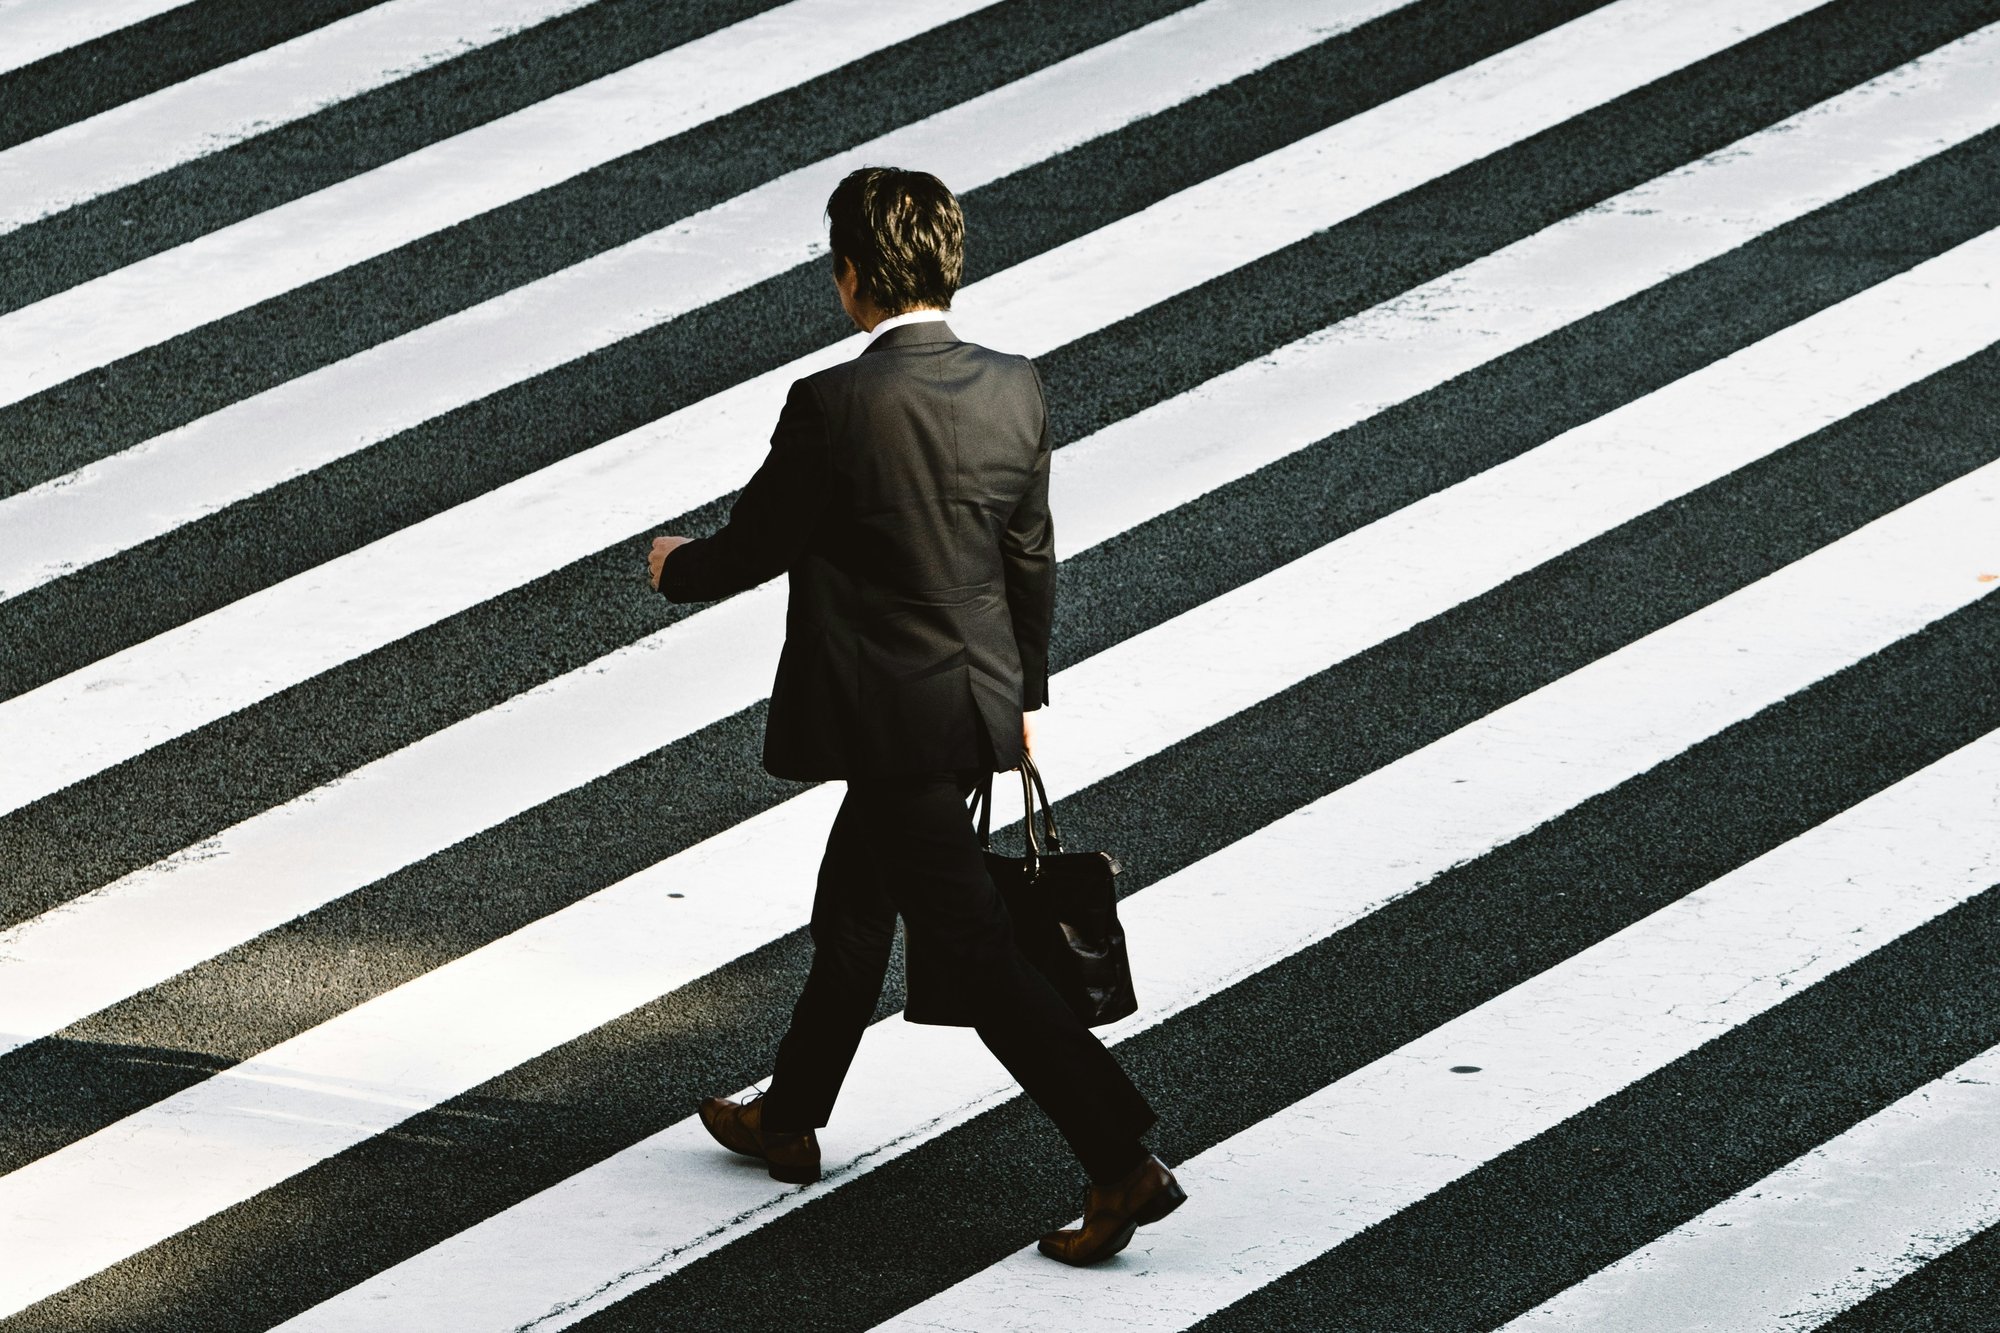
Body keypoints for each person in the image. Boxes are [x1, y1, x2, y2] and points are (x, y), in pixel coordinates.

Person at [648, 166, 1183, 1265]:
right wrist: (1019, 696)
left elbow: (754, 548)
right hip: (964, 704)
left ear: (851, 280)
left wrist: (669, 567)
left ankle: (1120, 1159)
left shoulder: (834, 404)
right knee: (853, 908)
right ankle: (789, 1112)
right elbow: (1027, 558)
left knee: (977, 956)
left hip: (879, 719)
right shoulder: (1013, 388)